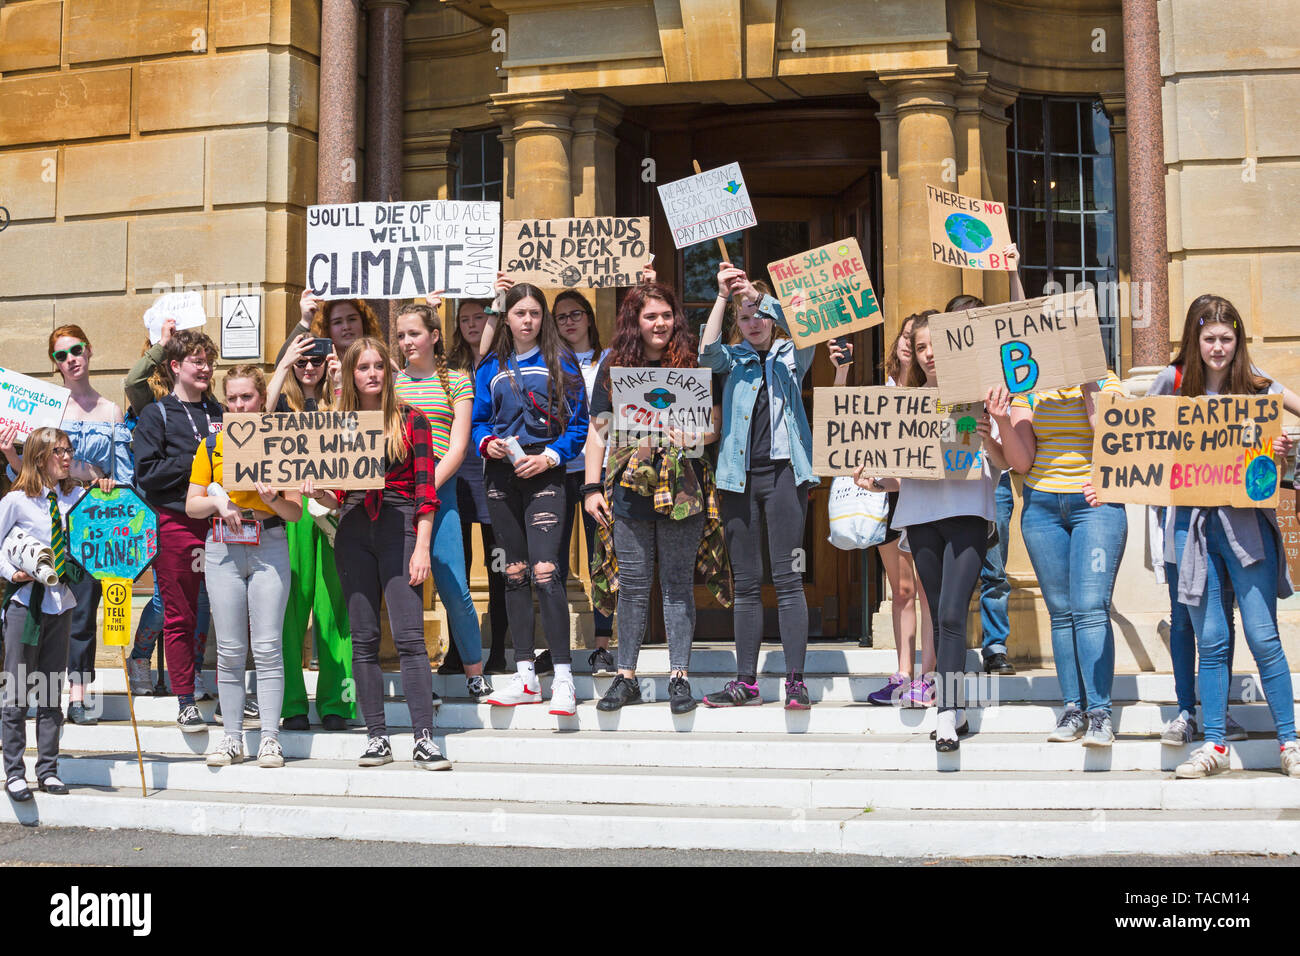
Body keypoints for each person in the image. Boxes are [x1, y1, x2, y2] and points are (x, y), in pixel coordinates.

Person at [1154, 295, 1299, 778]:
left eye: (1227, 339)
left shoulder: (1259, 387)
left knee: (1263, 637)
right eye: (1210, 338)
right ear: (1195, 341)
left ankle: (1290, 742)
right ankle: (1214, 744)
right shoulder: (1172, 383)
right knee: (1211, 640)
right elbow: (1132, 443)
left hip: (1245, 528)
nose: (1218, 347)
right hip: (1190, 529)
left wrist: (1286, 447)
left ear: (1238, 343)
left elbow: (1289, 431)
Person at [855, 315, 1011, 752]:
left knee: (951, 613)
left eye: (936, 345)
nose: (929, 354)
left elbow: (1003, 462)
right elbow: (904, 476)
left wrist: (988, 435)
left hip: (967, 514)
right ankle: (953, 706)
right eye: (922, 347)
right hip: (921, 516)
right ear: (916, 354)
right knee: (939, 607)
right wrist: (876, 481)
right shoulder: (905, 404)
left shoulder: (978, 398)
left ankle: (948, 710)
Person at [583, 282, 725, 714]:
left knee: (678, 586)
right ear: (635, 322)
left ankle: (679, 676)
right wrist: (591, 489)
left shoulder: (694, 365)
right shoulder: (614, 367)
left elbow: (715, 426)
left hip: (683, 488)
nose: (659, 323)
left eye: (666, 315)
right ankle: (625, 677)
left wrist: (695, 436)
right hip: (629, 490)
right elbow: (598, 430)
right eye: (650, 316)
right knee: (633, 587)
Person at [309, 338, 447, 769]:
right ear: (350, 374)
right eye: (362, 367)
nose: (372, 373)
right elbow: (336, 497)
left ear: (388, 373)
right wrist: (319, 492)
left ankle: (424, 737)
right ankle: (376, 737)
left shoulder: (412, 420)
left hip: (400, 525)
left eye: (378, 366)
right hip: (352, 528)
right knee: (364, 640)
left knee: (409, 639)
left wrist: (422, 546)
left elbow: (427, 492)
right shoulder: (338, 425)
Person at [698, 264, 823, 710]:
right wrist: (722, 297)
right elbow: (705, 351)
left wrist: (760, 295)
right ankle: (745, 681)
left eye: (759, 314)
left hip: (786, 476)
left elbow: (806, 326)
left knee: (788, 578)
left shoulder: (793, 353)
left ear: (772, 316)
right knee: (747, 583)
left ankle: (795, 681)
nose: (753, 322)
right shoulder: (733, 358)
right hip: (737, 479)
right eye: (745, 316)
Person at [0, 327, 133, 726]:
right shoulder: (47, 411)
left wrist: (109, 487)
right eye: (62, 355)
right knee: (37, 612)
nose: (71, 359)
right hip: (46, 521)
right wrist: (9, 450)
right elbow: (27, 474)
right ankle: (32, 697)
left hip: (90, 522)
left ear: (89, 352)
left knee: (82, 610)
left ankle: (78, 696)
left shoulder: (111, 411)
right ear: (55, 363)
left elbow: (124, 476)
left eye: (77, 350)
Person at [999, 349, 1127, 747]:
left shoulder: (1107, 380)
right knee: (1062, 611)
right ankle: (1073, 708)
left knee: (1090, 606)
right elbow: (1022, 461)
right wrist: (1002, 417)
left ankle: (1100, 712)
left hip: (1096, 506)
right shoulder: (1028, 386)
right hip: (1041, 509)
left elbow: (1110, 437)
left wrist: (1088, 377)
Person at [474, 281, 589, 719]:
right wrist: (489, 445)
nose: (527, 321)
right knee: (514, 572)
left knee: (545, 570)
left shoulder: (562, 361)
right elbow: (478, 421)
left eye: (534, 314)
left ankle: (562, 678)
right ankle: (524, 674)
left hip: (546, 475)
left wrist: (550, 457)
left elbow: (580, 426)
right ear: (506, 317)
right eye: (519, 313)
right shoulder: (491, 366)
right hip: (502, 479)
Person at [186, 367, 304, 768]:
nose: (239, 406)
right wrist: (219, 502)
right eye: (232, 399)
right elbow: (191, 504)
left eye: (246, 398)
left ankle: (270, 738)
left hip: (268, 543)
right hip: (221, 546)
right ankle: (231, 737)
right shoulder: (212, 445)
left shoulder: (282, 442)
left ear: (261, 399)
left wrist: (271, 498)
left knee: (268, 647)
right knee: (231, 649)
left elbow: (295, 512)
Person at [393, 300, 493, 701]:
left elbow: (460, 443)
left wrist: (427, 485)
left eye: (414, 333)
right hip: (397, 491)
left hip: (440, 486)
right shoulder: (391, 381)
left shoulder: (457, 380)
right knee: (404, 587)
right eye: (400, 335)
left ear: (434, 336)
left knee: (453, 582)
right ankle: (416, 678)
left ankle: (474, 670)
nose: (406, 342)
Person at [132, 329, 225, 733]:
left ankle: (229, 695)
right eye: (197, 362)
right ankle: (184, 698)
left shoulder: (220, 411)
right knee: (180, 613)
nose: (205, 369)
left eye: (209, 362)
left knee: (228, 611)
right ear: (175, 366)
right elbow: (146, 474)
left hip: (222, 522)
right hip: (175, 523)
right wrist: (196, 460)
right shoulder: (158, 414)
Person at [267, 330, 356, 731]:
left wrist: (340, 382)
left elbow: (355, 434)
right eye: (300, 361)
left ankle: (337, 702)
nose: (307, 368)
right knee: (291, 607)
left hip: (333, 508)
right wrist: (282, 363)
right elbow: (251, 422)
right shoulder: (282, 402)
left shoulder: (338, 398)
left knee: (334, 606)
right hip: (291, 509)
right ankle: (292, 704)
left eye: (314, 361)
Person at [943, 247, 1025, 677]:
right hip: (947, 481)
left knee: (994, 568)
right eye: (961, 327)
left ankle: (994, 647)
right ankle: (945, 651)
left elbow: (1024, 323)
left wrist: (1012, 272)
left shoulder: (1004, 369)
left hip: (992, 477)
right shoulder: (934, 372)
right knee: (946, 574)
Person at [0, 428, 82, 799]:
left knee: (52, 689)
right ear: (38, 457)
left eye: (68, 450)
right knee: (17, 688)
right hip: (25, 605)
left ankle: (48, 769)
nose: (66, 458)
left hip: (60, 603)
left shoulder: (74, 497)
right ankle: (14, 771)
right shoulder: (17, 501)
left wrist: (109, 488)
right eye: (57, 452)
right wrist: (10, 572)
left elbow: (101, 518)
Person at [866, 313, 937, 707]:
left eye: (921, 340)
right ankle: (903, 672)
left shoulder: (934, 389)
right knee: (902, 590)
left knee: (926, 590)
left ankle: (929, 674)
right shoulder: (886, 388)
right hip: (891, 497)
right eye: (906, 337)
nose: (911, 344)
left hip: (923, 499)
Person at [445, 298, 509, 674]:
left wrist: (500, 302)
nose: (471, 324)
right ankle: (458, 650)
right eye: (464, 319)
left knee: (499, 566)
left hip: (495, 476)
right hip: (456, 478)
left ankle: (498, 648)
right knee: (458, 568)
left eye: (479, 317)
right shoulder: (448, 366)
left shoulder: (501, 361)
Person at [553, 288, 615, 671]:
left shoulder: (610, 358)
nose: (569, 321)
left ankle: (603, 646)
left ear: (589, 317)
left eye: (575, 313)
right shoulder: (548, 361)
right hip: (558, 471)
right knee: (553, 563)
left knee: (602, 560)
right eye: (561, 317)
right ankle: (558, 650)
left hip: (603, 471)